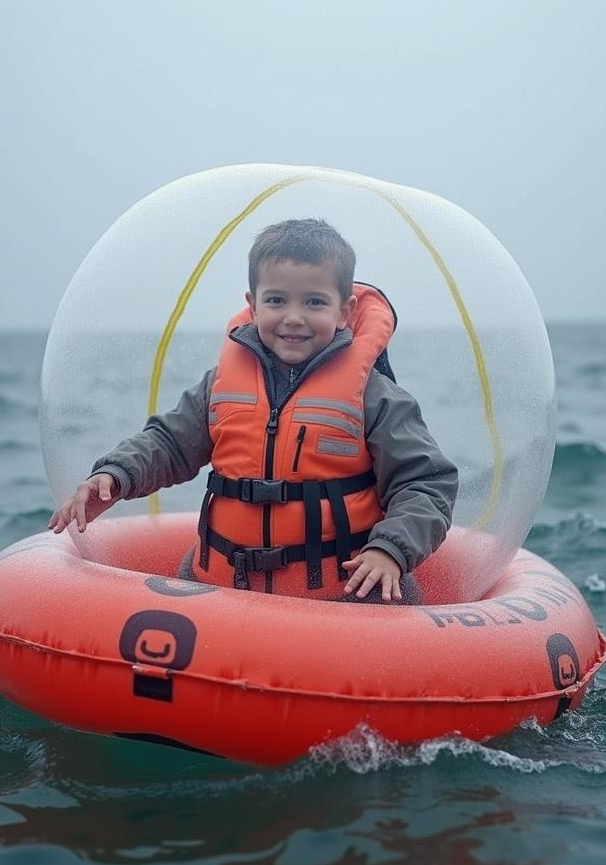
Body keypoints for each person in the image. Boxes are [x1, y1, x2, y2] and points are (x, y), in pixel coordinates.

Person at [49, 219, 458, 603]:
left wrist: (391, 550)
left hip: (349, 599)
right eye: (277, 300)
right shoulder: (221, 385)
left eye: (314, 302)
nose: (294, 317)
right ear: (254, 305)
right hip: (221, 589)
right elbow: (169, 443)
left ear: (345, 312)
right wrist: (116, 474)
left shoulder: (375, 396)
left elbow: (426, 484)